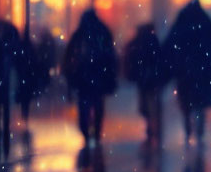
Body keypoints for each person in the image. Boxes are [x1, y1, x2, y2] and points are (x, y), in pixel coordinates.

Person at [162, 0, 211, 146]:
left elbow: (170, 46)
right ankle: (199, 131)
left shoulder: (182, 22)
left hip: (185, 72)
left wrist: (170, 68)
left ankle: (188, 130)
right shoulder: (206, 23)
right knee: (200, 102)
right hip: (202, 72)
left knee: (186, 102)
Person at [62, 10, 118, 145]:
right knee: (97, 102)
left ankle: (86, 131)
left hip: (84, 75)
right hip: (99, 74)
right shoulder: (103, 32)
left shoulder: (80, 33)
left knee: (84, 102)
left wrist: (70, 70)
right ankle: (96, 131)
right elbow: (110, 54)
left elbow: (70, 54)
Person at [123, 23, 166, 146]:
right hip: (153, 78)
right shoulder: (154, 41)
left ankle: (149, 124)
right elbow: (160, 59)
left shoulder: (137, 42)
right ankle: (154, 125)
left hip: (143, 78)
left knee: (145, 101)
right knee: (153, 102)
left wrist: (134, 73)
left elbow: (130, 57)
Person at [0, 20, 21, 161]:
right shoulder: (7, 40)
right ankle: (3, 134)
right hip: (3, 77)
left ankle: (3, 134)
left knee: (3, 106)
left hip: (2, 77)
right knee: (2, 105)